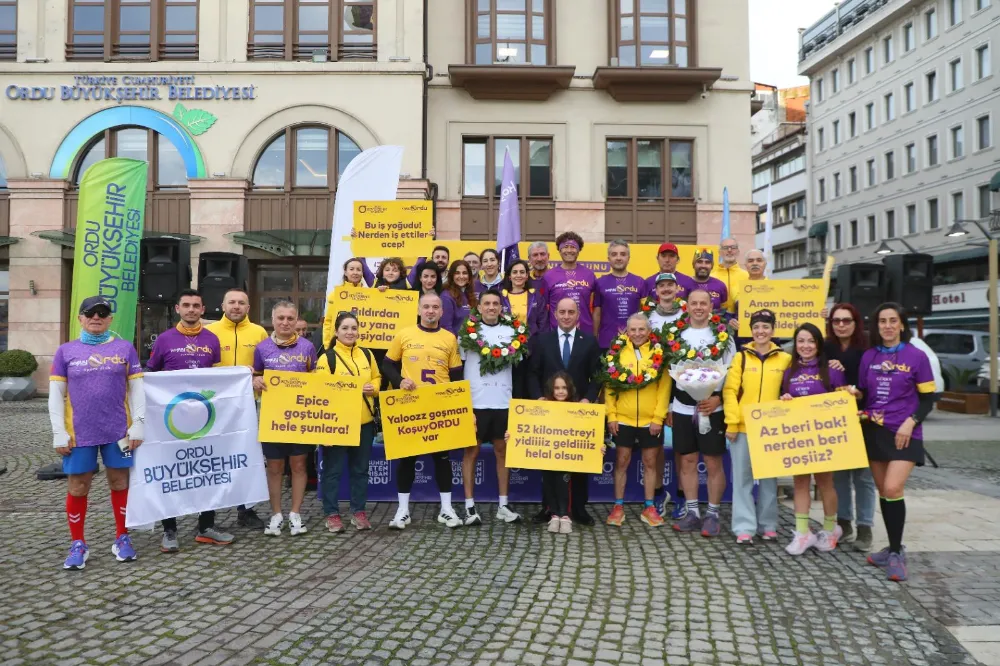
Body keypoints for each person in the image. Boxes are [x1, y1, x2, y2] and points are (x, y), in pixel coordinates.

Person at [50, 296, 146, 570]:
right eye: (90, 313)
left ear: (110, 319)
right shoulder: (66, 351)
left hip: (118, 430)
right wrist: (58, 431)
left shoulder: (125, 348)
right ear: (80, 318)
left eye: (102, 313)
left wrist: (138, 424)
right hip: (79, 433)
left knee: (119, 483)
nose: (96, 317)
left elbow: (137, 389)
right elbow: (55, 394)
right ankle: (78, 543)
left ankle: (122, 537)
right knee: (78, 486)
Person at [146, 289, 233, 552]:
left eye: (196, 305)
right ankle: (169, 530)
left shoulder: (212, 339)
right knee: (171, 473)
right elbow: (151, 372)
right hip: (171, 420)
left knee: (206, 471)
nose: (191, 309)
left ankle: (206, 527)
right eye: (186, 305)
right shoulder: (164, 339)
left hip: (204, 418)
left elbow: (216, 377)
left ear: (203, 309)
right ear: (178, 309)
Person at [856, 302, 936, 582]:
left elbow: (928, 399)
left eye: (893, 320)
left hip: (905, 433)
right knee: (885, 492)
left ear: (902, 324)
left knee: (892, 487)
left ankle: (896, 554)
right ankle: (892, 549)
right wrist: (851, 396)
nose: (888, 326)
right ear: (876, 326)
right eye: (882, 321)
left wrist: (911, 421)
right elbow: (864, 394)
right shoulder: (869, 356)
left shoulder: (917, 356)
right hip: (875, 431)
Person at [381, 292, 465, 529]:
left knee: (442, 458)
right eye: (426, 307)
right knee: (407, 459)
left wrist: (458, 406)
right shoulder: (404, 334)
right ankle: (403, 511)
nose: (430, 311)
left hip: (439, 407)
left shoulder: (449, 338)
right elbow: (387, 364)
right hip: (411, 406)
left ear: (441, 311)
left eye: (435, 307)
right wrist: (399, 381)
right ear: (418, 310)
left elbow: (456, 375)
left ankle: (446, 509)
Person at [526, 297, 602, 525]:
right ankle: (548, 507)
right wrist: (538, 398)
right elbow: (532, 373)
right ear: (555, 314)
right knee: (549, 461)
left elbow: (597, 376)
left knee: (579, 460)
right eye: (562, 312)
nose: (566, 316)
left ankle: (579, 508)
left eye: (571, 312)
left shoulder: (589, 342)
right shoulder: (542, 341)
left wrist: (588, 399)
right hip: (549, 412)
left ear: (578, 315)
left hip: (579, 412)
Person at [670, 289, 737, 536]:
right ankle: (692, 512)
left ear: (711, 306)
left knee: (712, 461)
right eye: (694, 303)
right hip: (682, 406)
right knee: (687, 460)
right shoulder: (676, 334)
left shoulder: (723, 336)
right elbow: (668, 371)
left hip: (713, 406)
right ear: (686, 306)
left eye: (703, 303)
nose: (698, 307)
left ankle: (713, 513)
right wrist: (669, 406)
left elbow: (732, 372)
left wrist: (719, 398)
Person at [780, 323, 848, 554]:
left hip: (824, 437)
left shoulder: (832, 370)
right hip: (799, 437)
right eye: (801, 341)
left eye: (811, 341)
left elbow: (843, 403)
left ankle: (830, 529)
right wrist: (785, 400)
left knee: (825, 482)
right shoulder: (789, 372)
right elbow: (783, 401)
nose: (806, 346)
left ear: (818, 344)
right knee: (800, 482)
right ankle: (803, 533)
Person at [721, 309, 788, 544]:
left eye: (766, 327)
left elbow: (788, 391)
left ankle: (768, 525)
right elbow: (730, 391)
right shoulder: (741, 357)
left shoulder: (784, 359)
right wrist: (731, 422)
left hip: (771, 429)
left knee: (769, 479)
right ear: (751, 330)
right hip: (743, 428)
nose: (761, 331)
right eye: (757, 327)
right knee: (742, 479)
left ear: (773, 330)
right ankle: (744, 527)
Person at [252, 301, 319, 537]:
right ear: (273, 320)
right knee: (274, 467)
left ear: (296, 320)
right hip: (272, 418)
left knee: (299, 464)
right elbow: (256, 375)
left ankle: (295, 513)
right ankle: (276, 514)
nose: (285, 322)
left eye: (290, 318)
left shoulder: (307, 347)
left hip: (300, 418)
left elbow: (315, 377)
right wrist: (255, 381)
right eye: (281, 318)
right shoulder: (262, 348)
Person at [459, 289, 523, 525]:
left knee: (502, 452)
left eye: (495, 303)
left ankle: (503, 505)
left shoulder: (513, 332)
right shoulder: (467, 332)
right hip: (475, 402)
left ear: (501, 308)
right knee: (471, 452)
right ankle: (469, 506)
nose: (491, 307)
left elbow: (519, 366)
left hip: (502, 401)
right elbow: (459, 365)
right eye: (486, 303)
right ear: (479, 307)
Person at [206, 288, 269, 530]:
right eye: (231, 302)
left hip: (247, 405)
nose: (236, 306)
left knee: (245, 456)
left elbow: (265, 367)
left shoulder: (259, 332)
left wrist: (258, 377)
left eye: (241, 303)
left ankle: (246, 510)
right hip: (216, 404)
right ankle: (207, 513)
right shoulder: (209, 332)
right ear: (223, 306)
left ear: (248, 308)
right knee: (213, 457)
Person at [316, 311, 380, 532]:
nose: (350, 332)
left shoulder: (367, 355)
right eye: (345, 328)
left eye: (353, 328)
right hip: (337, 424)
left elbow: (377, 377)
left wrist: (374, 387)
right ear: (336, 332)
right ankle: (332, 514)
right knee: (333, 471)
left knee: (360, 470)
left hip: (365, 422)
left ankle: (358, 512)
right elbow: (322, 391)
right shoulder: (327, 358)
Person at [606, 313, 670, 528]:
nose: (637, 333)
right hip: (623, 418)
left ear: (649, 331)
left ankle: (649, 507)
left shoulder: (658, 352)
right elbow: (609, 385)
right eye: (633, 329)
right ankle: (618, 506)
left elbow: (664, 388)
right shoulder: (617, 351)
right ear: (627, 331)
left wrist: (658, 418)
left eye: (641, 329)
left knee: (650, 463)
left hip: (649, 419)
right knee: (621, 461)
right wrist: (611, 415)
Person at [825, 302, 876, 551]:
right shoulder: (826, 347)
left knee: (863, 477)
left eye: (846, 320)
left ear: (856, 323)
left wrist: (856, 390)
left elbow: (875, 384)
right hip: (835, 421)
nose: (841, 325)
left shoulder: (868, 349)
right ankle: (844, 524)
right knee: (840, 476)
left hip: (863, 417)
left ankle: (865, 528)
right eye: (836, 321)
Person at [505, 371, 579, 534]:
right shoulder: (542, 408)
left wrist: (598, 447)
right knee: (548, 483)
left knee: (563, 483)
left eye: (564, 388)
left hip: (566, 456)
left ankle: (565, 516)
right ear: (551, 390)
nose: (560, 391)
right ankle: (554, 515)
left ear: (570, 389)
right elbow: (527, 429)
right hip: (546, 455)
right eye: (557, 388)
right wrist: (512, 436)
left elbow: (587, 434)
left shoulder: (577, 410)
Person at [644, 272, 686, 518]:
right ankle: (659, 493)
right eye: (662, 286)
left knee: (681, 445)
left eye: (671, 285)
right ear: (656, 290)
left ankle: (681, 495)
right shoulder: (647, 316)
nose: (667, 289)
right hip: (654, 384)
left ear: (677, 288)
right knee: (656, 444)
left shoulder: (686, 315)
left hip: (681, 384)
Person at [593, 239, 646, 351]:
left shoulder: (639, 282)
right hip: (607, 342)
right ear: (608, 259)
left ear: (628, 258)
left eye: (623, 254)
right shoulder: (600, 282)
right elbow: (597, 313)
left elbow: (645, 313)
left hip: (634, 341)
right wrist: (594, 337)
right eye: (614, 254)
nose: (618, 258)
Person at [542, 232, 597, 333]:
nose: (569, 250)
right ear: (559, 250)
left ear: (578, 250)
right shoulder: (548, 276)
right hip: (557, 333)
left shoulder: (589, 275)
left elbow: (596, 307)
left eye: (573, 247)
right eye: (565, 247)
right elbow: (543, 309)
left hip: (585, 332)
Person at [501, 259, 548, 336]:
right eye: (515, 272)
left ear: (526, 276)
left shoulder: (536, 296)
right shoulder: (501, 297)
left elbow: (543, 322)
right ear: (509, 276)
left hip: (532, 341)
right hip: (507, 341)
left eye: (522, 272)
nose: (518, 275)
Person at [712, 237, 749, 314]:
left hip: (741, 318)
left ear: (738, 251)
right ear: (720, 252)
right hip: (717, 319)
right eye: (725, 248)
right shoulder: (712, 277)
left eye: (733, 247)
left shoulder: (747, 276)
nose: (729, 250)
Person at [441, 260, 478, 335]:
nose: (461, 276)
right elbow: (445, 327)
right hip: (453, 340)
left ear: (469, 276)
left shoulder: (469, 294)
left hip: (469, 340)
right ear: (451, 276)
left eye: (464, 273)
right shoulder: (446, 297)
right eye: (457, 273)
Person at [688, 249, 729, 313]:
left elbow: (724, 311)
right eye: (699, 262)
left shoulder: (720, 285)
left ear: (712, 266)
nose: (703, 265)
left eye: (707, 262)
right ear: (693, 264)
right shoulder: (685, 284)